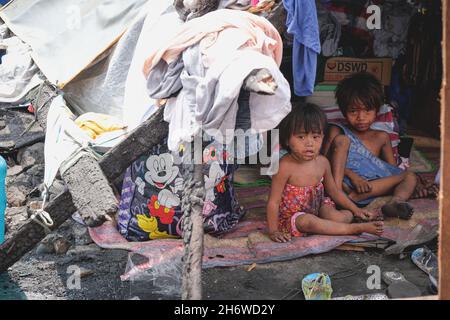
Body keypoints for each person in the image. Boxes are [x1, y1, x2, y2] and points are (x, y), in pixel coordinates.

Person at [266, 103, 383, 243]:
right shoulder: (284, 166)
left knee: (338, 217)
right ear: (286, 140)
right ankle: (354, 229)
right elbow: (274, 201)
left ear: (323, 137)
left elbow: (333, 191)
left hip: (318, 206)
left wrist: (356, 209)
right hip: (294, 217)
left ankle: (353, 218)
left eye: (316, 137)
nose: (309, 143)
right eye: (301, 137)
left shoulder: (322, 162)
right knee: (308, 221)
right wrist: (273, 231)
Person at [322, 72, 417, 220]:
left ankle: (396, 203)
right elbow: (323, 161)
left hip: (369, 188)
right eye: (353, 111)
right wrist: (353, 176)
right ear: (343, 110)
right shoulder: (338, 131)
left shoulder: (382, 137)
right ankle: (340, 195)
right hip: (342, 184)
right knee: (342, 140)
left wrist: (414, 185)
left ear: (377, 111)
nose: (361, 117)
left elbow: (390, 171)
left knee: (409, 176)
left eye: (367, 110)